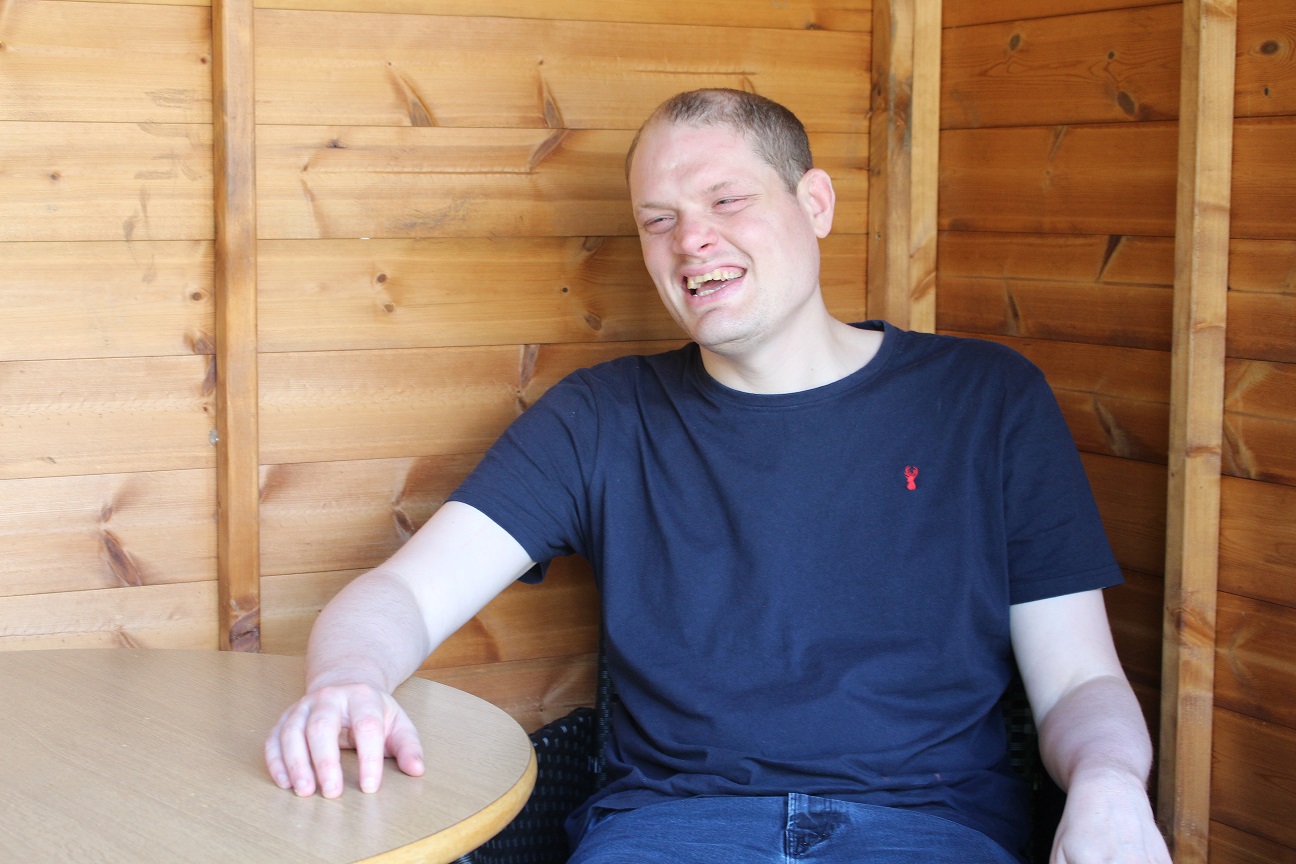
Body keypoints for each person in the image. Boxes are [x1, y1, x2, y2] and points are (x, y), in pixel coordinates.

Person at [265, 88, 1171, 864]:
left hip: (926, 830)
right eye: (660, 220)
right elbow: (404, 597)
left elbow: (1080, 683)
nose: (691, 241)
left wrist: (1111, 779)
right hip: (673, 831)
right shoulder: (600, 418)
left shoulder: (985, 398)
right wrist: (347, 680)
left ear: (813, 201)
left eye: (727, 201)